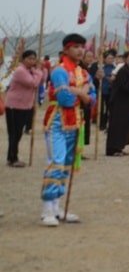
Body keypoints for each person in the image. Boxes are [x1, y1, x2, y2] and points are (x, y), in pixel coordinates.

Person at [40, 33, 94, 226]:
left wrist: (79, 93)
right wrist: (81, 91)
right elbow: (64, 99)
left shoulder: (83, 72)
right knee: (57, 161)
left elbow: (93, 98)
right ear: (66, 49)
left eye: (83, 46)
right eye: (76, 46)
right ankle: (47, 208)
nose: (80, 50)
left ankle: (57, 207)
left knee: (67, 164)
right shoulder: (59, 71)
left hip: (75, 122)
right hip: (57, 121)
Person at [5, 49, 46, 167]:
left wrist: (41, 70)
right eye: (29, 58)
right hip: (14, 105)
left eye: (34, 59)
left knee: (18, 133)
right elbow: (33, 83)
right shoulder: (20, 70)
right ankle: (13, 158)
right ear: (24, 59)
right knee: (14, 133)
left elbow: (41, 81)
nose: (32, 61)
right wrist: (38, 72)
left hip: (25, 105)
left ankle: (11, 157)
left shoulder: (31, 70)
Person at [105, 51, 129, 156]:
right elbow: (125, 87)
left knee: (124, 125)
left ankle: (120, 147)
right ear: (125, 59)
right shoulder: (122, 71)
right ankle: (113, 149)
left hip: (127, 102)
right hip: (119, 102)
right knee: (117, 125)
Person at [95, 49, 117, 132]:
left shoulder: (115, 69)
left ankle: (109, 125)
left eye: (112, 58)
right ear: (105, 59)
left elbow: (113, 80)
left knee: (110, 109)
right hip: (102, 91)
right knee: (101, 109)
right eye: (109, 58)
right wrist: (98, 76)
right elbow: (96, 78)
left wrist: (105, 77)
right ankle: (101, 124)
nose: (110, 60)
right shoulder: (101, 68)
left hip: (111, 92)